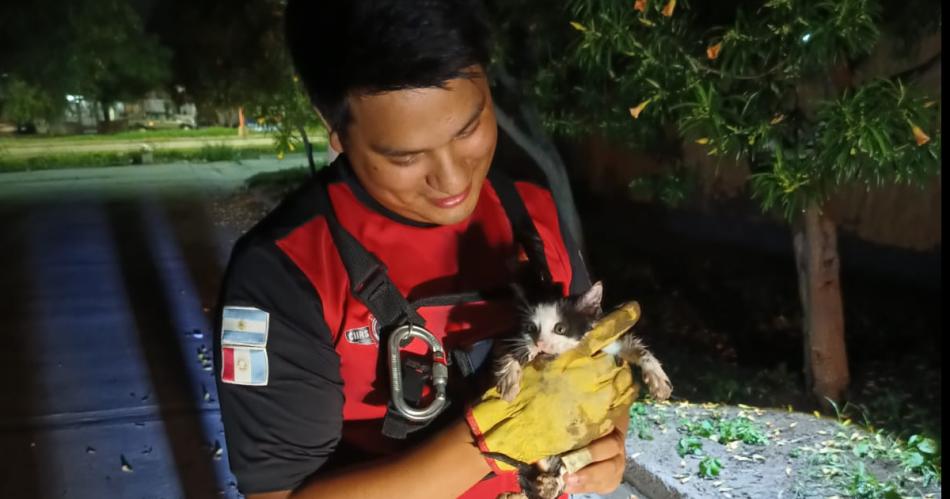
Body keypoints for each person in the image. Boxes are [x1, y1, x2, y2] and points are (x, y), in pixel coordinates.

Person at [213, 1, 631, 498]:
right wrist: (486, 443)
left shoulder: (532, 215)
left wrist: (610, 440)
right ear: (335, 127)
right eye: (406, 157)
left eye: (468, 129)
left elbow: (595, 362)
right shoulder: (285, 274)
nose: (452, 181)